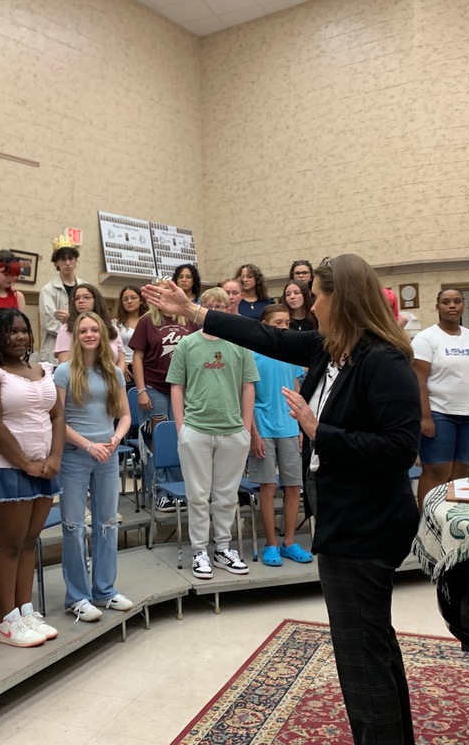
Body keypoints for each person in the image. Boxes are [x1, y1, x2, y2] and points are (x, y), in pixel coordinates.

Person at [143, 253, 421, 745]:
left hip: (367, 524)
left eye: (318, 297)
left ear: (344, 300)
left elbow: (400, 450)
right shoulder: (332, 349)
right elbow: (266, 337)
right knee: (371, 648)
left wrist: (320, 431)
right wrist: (192, 312)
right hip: (344, 518)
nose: (311, 307)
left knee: (361, 658)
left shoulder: (384, 359)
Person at [0, 308, 64, 648]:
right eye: (11, 332)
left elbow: (57, 414)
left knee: (28, 542)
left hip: (42, 467)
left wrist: (54, 456)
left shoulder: (41, 369)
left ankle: (24, 610)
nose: (20, 337)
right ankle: (5, 621)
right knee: (8, 545)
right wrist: (24, 463)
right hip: (2, 469)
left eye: (24, 331)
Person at [166, 287, 257, 579]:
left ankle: (222, 549)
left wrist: (245, 427)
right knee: (197, 495)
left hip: (233, 431)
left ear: (227, 309)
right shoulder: (187, 344)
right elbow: (176, 386)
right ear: (199, 309)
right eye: (210, 305)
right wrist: (181, 429)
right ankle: (200, 551)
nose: (216, 309)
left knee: (227, 495)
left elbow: (248, 386)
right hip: (196, 430)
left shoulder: (240, 344)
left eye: (221, 305)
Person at [53, 311, 133, 621]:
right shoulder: (63, 372)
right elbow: (57, 420)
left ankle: (105, 591)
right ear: (75, 336)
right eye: (82, 330)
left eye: (93, 330)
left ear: (101, 335)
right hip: (75, 455)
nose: (88, 334)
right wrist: (87, 445)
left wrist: (113, 440)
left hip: (107, 454)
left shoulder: (112, 371)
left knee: (107, 523)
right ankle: (77, 596)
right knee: (74, 526)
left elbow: (124, 416)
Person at [413, 287, 469, 507]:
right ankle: (427, 523)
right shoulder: (426, 338)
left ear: (463, 305)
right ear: (437, 307)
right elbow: (418, 379)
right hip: (439, 413)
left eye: (457, 301)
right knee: (437, 470)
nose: (452, 305)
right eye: (446, 302)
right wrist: (425, 417)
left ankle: (451, 522)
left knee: (462, 470)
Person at [248, 304, 311, 567]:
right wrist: (254, 433)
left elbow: (297, 394)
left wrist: (299, 428)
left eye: (286, 323)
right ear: (264, 325)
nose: (283, 327)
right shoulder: (252, 354)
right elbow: (248, 397)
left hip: (289, 428)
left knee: (294, 486)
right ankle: (271, 543)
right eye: (277, 323)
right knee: (268, 486)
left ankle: (289, 542)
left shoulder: (293, 353)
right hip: (263, 428)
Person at [128, 289, 198, 511]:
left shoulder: (189, 320)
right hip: (153, 388)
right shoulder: (146, 321)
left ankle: (178, 490)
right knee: (155, 443)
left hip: (182, 389)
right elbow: (137, 358)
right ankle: (157, 491)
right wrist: (141, 391)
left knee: (182, 440)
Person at [53, 283, 126, 374]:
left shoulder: (111, 327)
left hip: (112, 382)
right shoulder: (66, 329)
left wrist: (117, 380)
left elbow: (121, 360)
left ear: (96, 300)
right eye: (77, 298)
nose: (81, 301)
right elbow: (64, 363)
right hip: (80, 383)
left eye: (86, 297)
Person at [38, 240, 83, 365]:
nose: (68, 263)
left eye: (71, 259)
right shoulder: (48, 290)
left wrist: (71, 321)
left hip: (83, 348)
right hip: (56, 350)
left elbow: (93, 317)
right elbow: (49, 323)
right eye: (63, 260)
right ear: (56, 262)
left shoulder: (85, 287)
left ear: (76, 261)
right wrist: (79, 327)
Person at [114, 285, 146, 386]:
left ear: (141, 300)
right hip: (123, 369)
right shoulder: (115, 324)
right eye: (125, 299)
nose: (129, 301)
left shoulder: (150, 321)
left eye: (133, 298)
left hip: (145, 368)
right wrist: (120, 365)